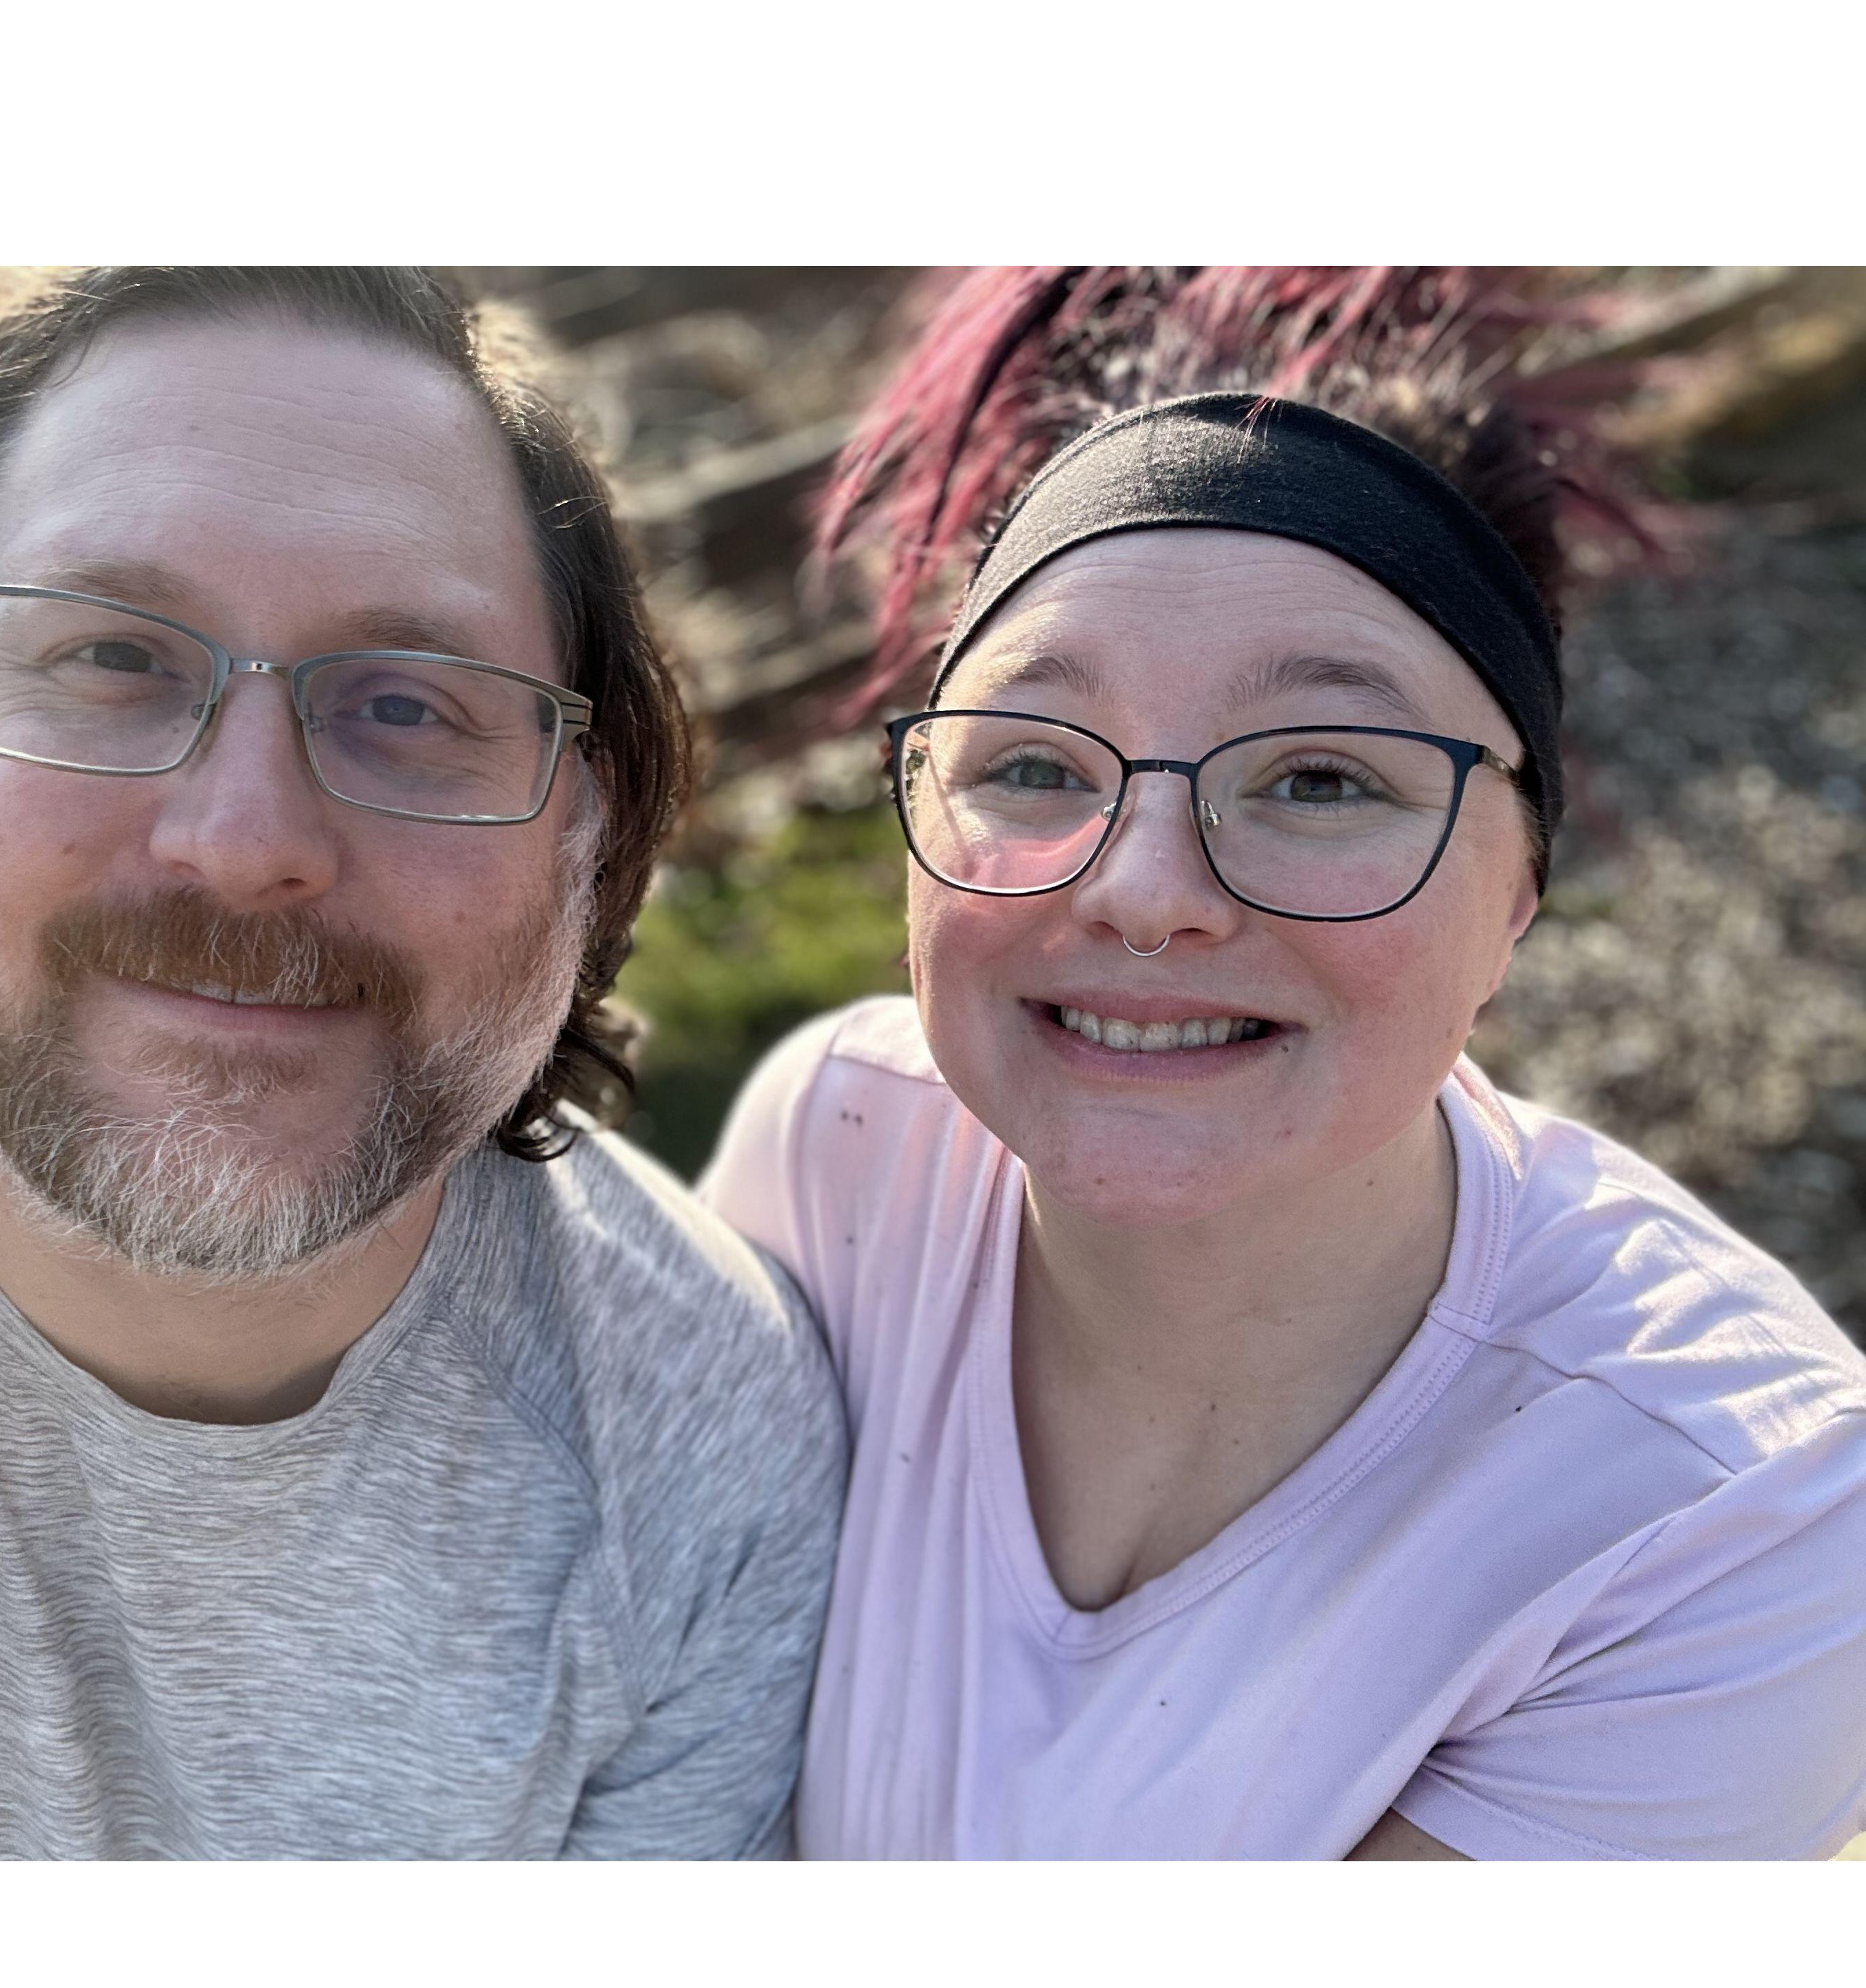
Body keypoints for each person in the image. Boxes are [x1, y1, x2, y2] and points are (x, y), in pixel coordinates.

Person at [703, 267, 1866, 1860]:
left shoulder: (1714, 1515)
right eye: (1032, 761)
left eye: (1317, 778)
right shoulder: (839, 1148)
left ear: (1517, 893)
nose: (1143, 890)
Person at [0, 267, 845, 1860]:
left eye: (405, 702)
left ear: (589, 833)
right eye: (110, 659)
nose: (245, 839)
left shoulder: (702, 1450)